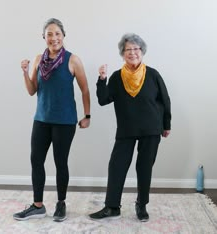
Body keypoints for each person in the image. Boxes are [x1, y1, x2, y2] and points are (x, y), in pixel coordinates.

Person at [13, 18, 90, 222]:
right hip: (42, 119)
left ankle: (61, 203)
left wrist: (87, 116)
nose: (53, 38)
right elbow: (32, 90)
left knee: (60, 162)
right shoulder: (39, 59)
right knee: (36, 160)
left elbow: (85, 89)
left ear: (63, 36)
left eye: (57, 33)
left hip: (65, 121)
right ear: (44, 37)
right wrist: (24, 72)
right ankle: (38, 206)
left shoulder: (73, 60)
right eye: (49, 34)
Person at [89, 33, 171, 222]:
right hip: (126, 129)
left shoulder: (152, 74)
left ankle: (141, 206)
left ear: (142, 51)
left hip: (151, 129)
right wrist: (102, 79)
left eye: (136, 49)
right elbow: (103, 100)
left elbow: (165, 100)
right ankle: (112, 207)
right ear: (122, 53)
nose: (132, 52)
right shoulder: (117, 77)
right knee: (116, 166)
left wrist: (166, 124)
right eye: (128, 49)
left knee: (144, 168)